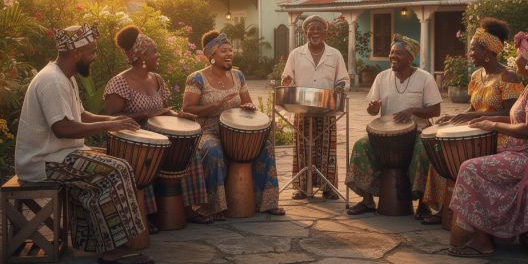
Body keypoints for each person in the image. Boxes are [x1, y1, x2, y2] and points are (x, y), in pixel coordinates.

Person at [14, 23, 154, 264]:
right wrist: (108, 126)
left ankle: (90, 241)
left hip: (61, 154)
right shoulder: (53, 81)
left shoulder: (64, 77)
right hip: (42, 162)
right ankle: (115, 249)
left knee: (112, 163)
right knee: (117, 169)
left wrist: (114, 120)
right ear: (77, 53)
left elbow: (81, 114)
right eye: (92, 52)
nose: (94, 57)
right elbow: (63, 128)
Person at [446, 32, 528, 257]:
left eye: (519, 55)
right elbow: (522, 121)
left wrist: (494, 126)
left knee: (470, 168)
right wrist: (490, 120)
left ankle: (483, 240)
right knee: (479, 164)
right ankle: (486, 233)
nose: (515, 60)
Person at [103, 25, 208, 229]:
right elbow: (110, 118)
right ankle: (147, 214)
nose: (158, 55)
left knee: (189, 151)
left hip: (161, 136)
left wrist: (179, 115)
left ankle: (188, 208)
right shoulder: (119, 83)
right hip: (134, 141)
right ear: (142, 56)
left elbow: (163, 111)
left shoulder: (157, 79)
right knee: (148, 157)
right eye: (154, 52)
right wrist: (146, 115)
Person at [421, 18, 523, 225]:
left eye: (474, 49)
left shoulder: (509, 77)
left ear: (488, 51)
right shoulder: (477, 76)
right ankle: (443, 210)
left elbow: (510, 113)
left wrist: (471, 117)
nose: (469, 54)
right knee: (442, 156)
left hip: (498, 135)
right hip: (475, 131)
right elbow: (474, 108)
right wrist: (454, 117)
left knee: (455, 158)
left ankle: (461, 216)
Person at [180, 31, 284, 221]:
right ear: (211, 54)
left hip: (237, 132)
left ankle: (267, 202)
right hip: (208, 130)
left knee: (266, 147)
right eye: (223, 51)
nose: (229, 54)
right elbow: (187, 109)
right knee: (213, 151)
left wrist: (249, 107)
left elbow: (248, 103)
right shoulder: (197, 78)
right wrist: (215, 106)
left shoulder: (238, 76)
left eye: (230, 50)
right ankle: (213, 206)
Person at [345, 34, 442, 215]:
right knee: (361, 145)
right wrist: (373, 108)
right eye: (391, 53)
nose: (393, 57)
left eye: (398, 53)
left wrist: (412, 111)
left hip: (417, 132)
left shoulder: (425, 78)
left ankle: (423, 204)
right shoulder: (382, 77)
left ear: (410, 57)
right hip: (386, 135)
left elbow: (435, 110)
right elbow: (372, 112)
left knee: (424, 150)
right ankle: (367, 201)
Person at [281, 15, 350, 200]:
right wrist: (287, 81)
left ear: (325, 32)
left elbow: (344, 79)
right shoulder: (296, 54)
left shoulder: (334, 54)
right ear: (305, 32)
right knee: (303, 147)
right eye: (311, 29)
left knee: (327, 147)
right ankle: (302, 187)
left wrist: (339, 87)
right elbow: (287, 78)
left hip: (326, 107)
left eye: (319, 29)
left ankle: (328, 187)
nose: (315, 32)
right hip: (303, 108)